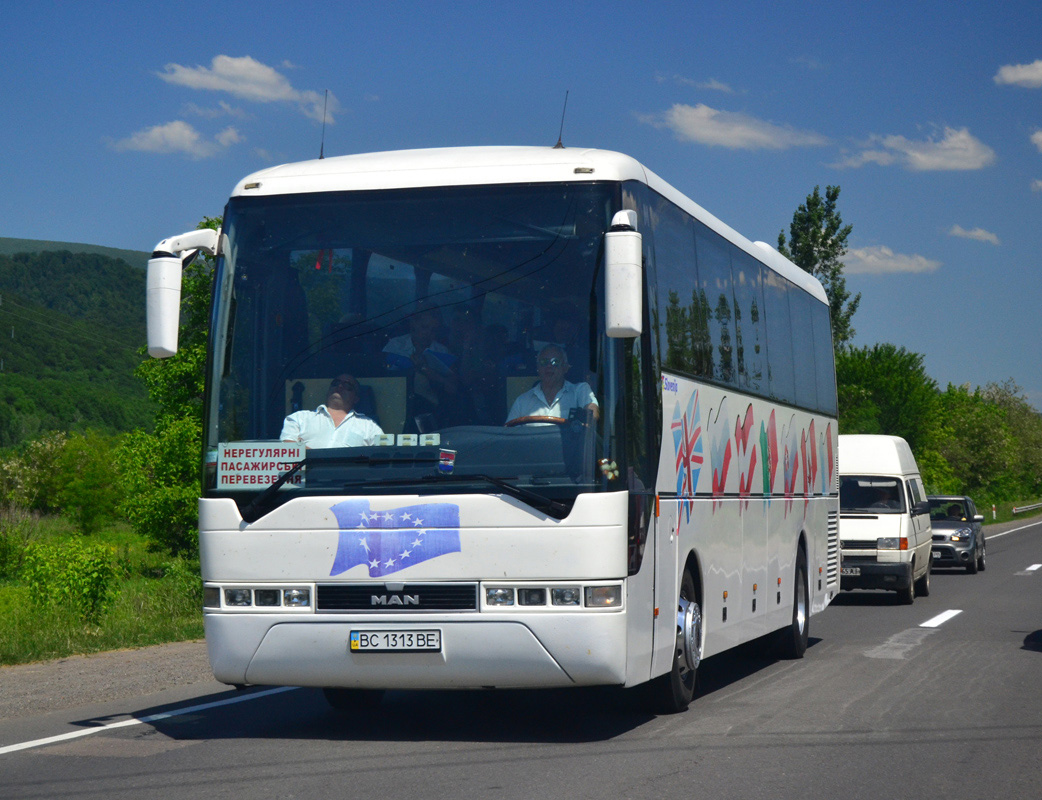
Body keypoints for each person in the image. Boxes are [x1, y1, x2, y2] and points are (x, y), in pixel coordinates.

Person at [383, 305, 458, 430]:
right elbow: (383, 374)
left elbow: (453, 388)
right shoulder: (395, 345)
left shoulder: (443, 352)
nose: (428, 333)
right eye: (424, 327)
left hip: (429, 411)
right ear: (413, 325)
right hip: (394, 403)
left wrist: (426, 371)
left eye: (433, 330)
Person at [280, 374, 383, 447]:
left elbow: (381, 456)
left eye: (347, 385)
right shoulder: (299, 418)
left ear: (356, 398)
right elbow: (287, 450)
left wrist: (303, 449)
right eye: (336, 383)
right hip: (306, 477)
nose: (340, 386)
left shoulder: (369, 426)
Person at [506, 345, 599, 425]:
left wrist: (589, 416)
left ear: (565, 368)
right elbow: (509, 436)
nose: (549, 366)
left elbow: (592, 410)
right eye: (544, 362)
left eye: (555, 362)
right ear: (538, 368)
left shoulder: (580, 390)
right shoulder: (522, 401)